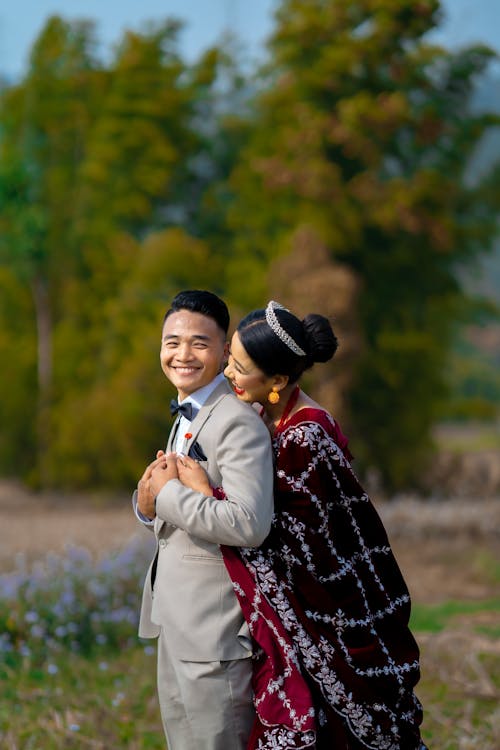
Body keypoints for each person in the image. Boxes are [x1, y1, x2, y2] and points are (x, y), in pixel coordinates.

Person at [176, 300, 427, 749]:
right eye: (230, 359)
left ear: (277, 381)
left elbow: (301, 542)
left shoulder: (304, 435)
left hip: (329, 620)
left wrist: (204, 495)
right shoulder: (269, 420)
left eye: (239, 366)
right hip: (299, 620)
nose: (227, 373)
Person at [132, 290, 274, 750]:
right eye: (172, 342)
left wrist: (168, 495)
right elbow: (169, 501)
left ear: (223, 349)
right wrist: (146, 503)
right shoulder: (187, 412)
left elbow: (250, 523)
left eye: (199, 342)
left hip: (214, 636)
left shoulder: (237, 422)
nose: (182, 354)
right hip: (174, 620)